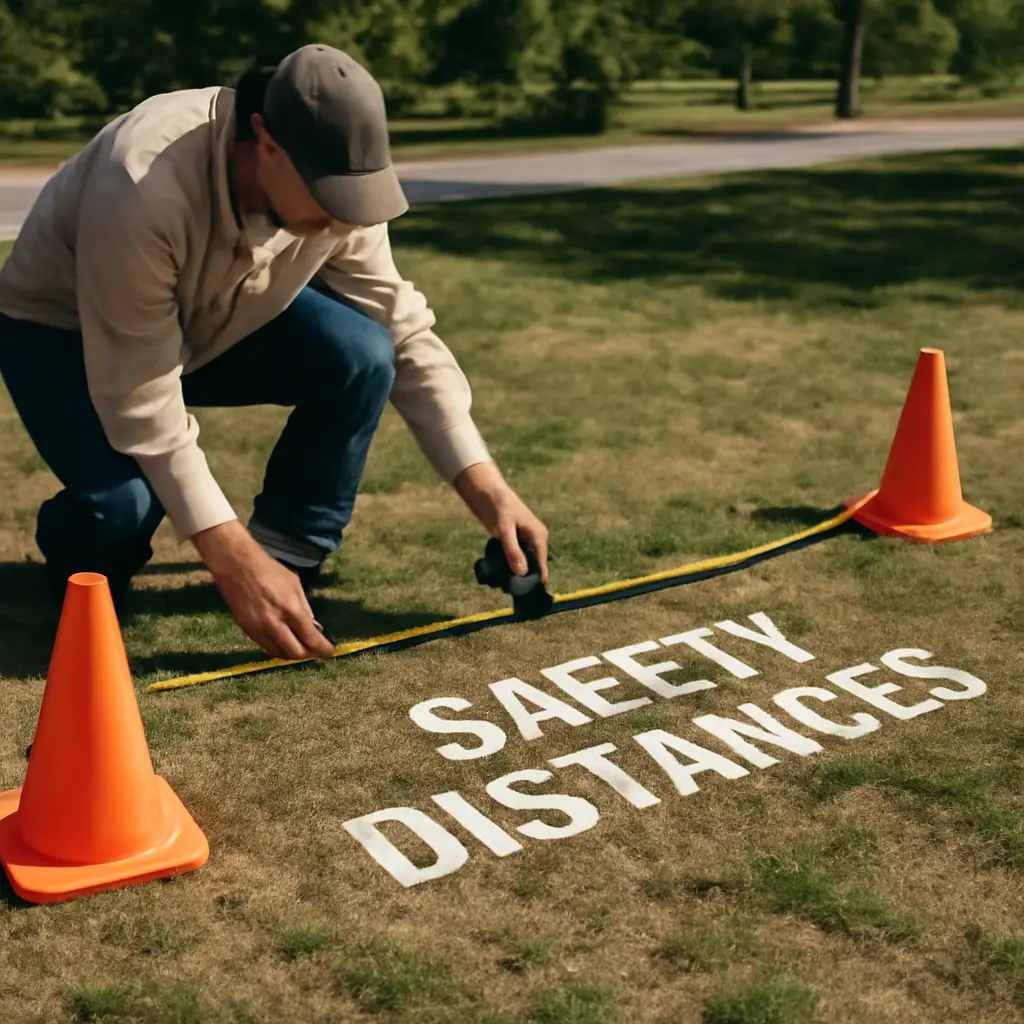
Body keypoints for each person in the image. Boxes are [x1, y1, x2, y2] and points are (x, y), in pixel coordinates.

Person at [0, 44, 549, 664]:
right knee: (121, 508)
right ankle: (78, 548)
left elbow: (402, 329)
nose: (344, 217)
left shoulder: (339, 184)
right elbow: (141, 399)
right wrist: (229, 555)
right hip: (57, 328)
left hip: (211, 316)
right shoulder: (142, 183)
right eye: (328, 195)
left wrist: (488, 488)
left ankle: (288, 553)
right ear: (265, 141)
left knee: (362, 352)